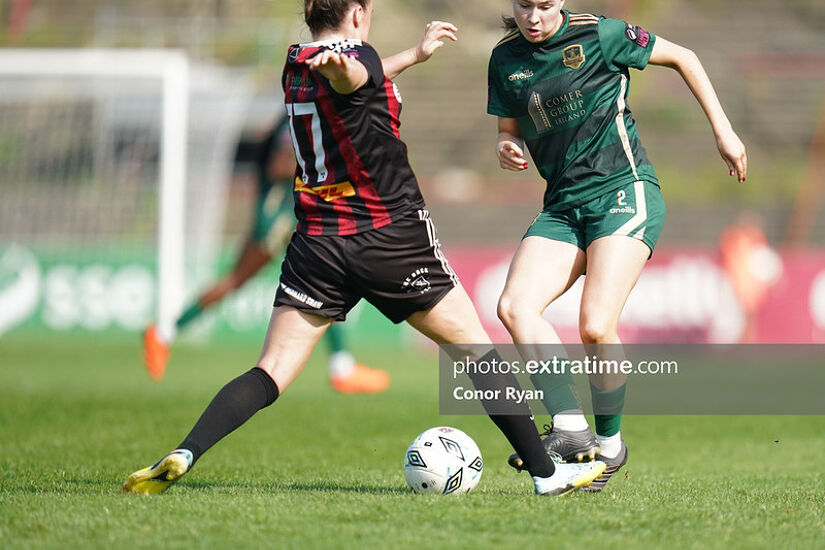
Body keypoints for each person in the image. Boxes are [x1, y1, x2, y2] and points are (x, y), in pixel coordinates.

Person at [123, 0, 606, 497]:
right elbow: (354, 76)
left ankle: (186, 451)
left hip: (316, 242)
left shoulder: (295, 62)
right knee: (476, 351)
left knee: (271, 370)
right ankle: (548, 476)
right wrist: (351, 66)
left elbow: (353, 80)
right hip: (388, 236)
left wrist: (412, 56)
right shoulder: (355, 57)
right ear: (358, 12)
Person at [488, 0, 747, 490]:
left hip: (623, 191)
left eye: (544, 5)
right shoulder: (504, 58)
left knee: (596, 324)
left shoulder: (602, 35)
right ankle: (568, 426)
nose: (534, 16)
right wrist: (507, 145)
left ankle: (609, 444)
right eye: (524, 5)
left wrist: (724, 131)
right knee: (515, 306)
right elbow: (508, 127)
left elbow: (685, 56)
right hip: (562, 206)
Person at [142, 115, 390, 394]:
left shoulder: (301, 116)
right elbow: (279, 166)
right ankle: (163, 332)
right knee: (243, 279)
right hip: (278, 215)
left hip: (284, 213)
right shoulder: (297, 120)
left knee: (324, 279)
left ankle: (342, 367)